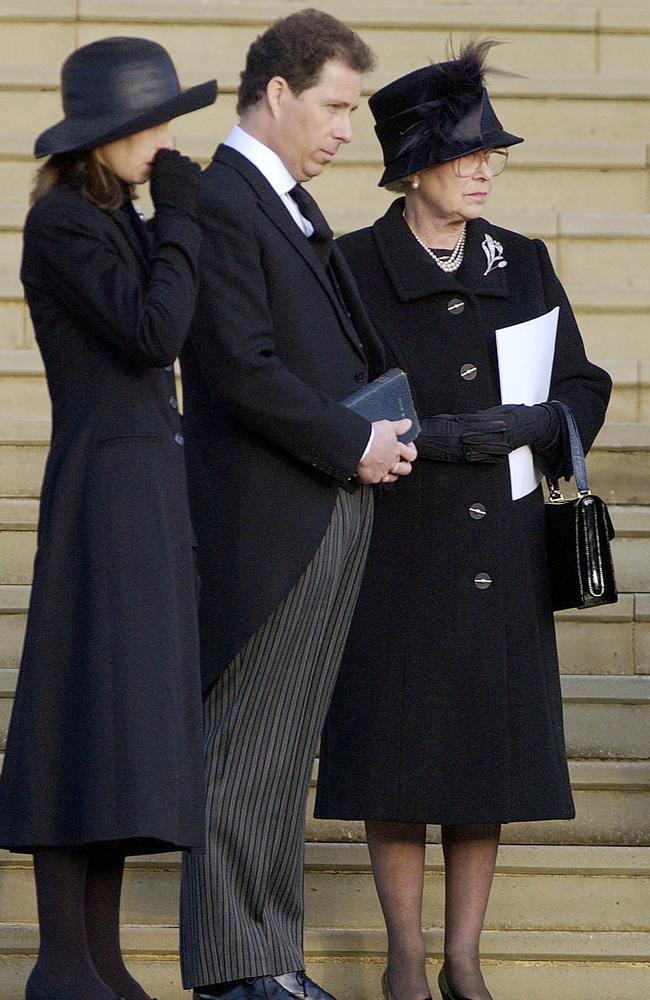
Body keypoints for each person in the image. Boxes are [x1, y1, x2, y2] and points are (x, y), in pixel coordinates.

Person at [315, 40, 612, 1000]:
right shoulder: (352, 266)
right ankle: (406, 959)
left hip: (504, 544)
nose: (485, 168)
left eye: (493, 153)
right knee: (400, 760)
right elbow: (324, 396)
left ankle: (464, 962)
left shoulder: (521, 261)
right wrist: (438, 436)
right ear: (411, 168)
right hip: (395, 544)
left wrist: (546, 421)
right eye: (464, 153)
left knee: (485, 763)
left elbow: (581, 379)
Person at [178, 9, 416, 1000]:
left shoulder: (279, 199)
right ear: (276, 93)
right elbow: (238, 365)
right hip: (268, 517)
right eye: (336, 106)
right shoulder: (221, 198)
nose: (347, 130)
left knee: (281, 758)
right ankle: (238, 971)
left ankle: (269, 958)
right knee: (244, 755)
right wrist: (347, 438)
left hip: (321, 505)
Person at [0, 37, 217, 1000]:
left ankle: (97, 958)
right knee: (81, 703)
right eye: (154, 123)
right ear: (110, 134)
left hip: (146, 488)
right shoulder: (63, 225)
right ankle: (62, 960)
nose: (166, 140)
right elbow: (150, 331)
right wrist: (181, 220)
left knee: (123, 717)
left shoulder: (119, 218)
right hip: (103, 489)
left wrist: (173, 223)